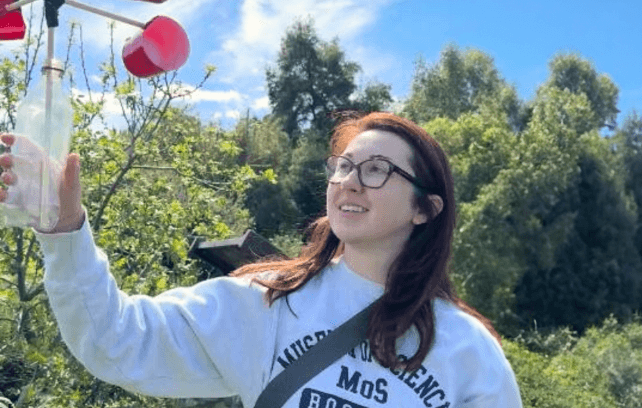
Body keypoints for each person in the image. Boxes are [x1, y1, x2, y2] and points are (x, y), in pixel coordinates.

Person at [0, 112, 523, 408]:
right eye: (342, 166)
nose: (349, 181)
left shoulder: (466, 350)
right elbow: (118, 339)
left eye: (378, 169)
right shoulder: (269, 302)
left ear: (425, 209)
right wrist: (65, 232)